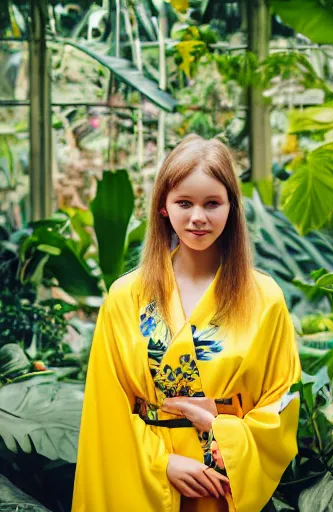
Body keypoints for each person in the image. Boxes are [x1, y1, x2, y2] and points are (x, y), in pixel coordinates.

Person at [72, 135, 301, 512]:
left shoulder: (265, 298)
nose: (198, 217)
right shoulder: (125, 296)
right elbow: (106, 410)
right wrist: (162, 463)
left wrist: (220, 433)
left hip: (220, 483)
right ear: (163, 207)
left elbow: (281, 404)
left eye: (212, 203)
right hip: (143, 478)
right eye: (184, 202)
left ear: (232, 208)